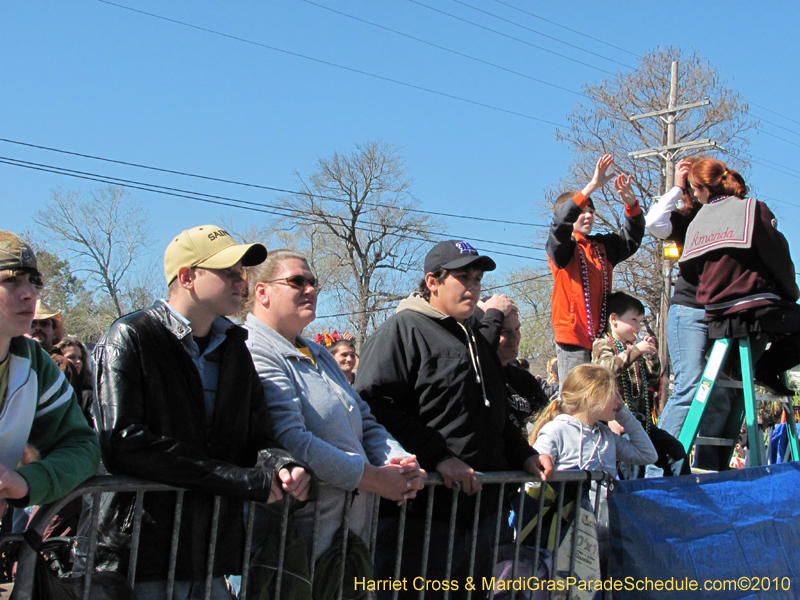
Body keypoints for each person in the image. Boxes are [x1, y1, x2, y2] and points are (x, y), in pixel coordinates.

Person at [86, 225, 313, 600]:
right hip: (137, 556)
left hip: (210, 555)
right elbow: (123, 443)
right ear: (187, 277)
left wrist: (281, 464)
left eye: (242, 272)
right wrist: (237, 480)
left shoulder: (235, 348)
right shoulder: (130, 336)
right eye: (227, 271)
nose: (240, 280)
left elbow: (255, 437)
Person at [356, 240, 554, 599]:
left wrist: (523, 453)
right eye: (463, 277)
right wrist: (438, 458)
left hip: (482, 514)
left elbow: (495, 413)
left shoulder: (477, 341)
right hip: (421, 516)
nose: (474, 287)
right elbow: (374, 404)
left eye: (478, 278)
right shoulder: (402, 331)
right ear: (433, 282)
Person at [244, 249, 424, 559]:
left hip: (349, 536)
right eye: (297, 281)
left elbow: (365, 419)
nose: (311, 290)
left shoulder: (320, 353)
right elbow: (291, 439)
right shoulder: (253, 348)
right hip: (296, 543)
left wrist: (401, 462)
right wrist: (375, 479)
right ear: (262, 292)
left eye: (313, 282)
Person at [0, 231, 100, 522]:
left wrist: (27, 482)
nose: (29, 293)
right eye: (10, 280)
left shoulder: (34, 365)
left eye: (34, 282)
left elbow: (81, 445)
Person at [679, 157, 800, 397]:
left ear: (703, 189)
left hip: (716, 316)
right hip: (754, 311)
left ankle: (741, 366)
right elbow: (778, 257)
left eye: (693, 188)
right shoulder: (752, 209)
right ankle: (765, 368)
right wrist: (790, 294)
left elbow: (689, 273)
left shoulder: (696, 223)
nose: (692, 193)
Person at [644, 158, 732, 473]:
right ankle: (658, 468)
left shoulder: (731, 217)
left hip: (722, 314)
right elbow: (654, 223)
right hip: (690, 311)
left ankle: (709, 470)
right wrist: (677, 187)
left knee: (720, 394)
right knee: (690, 385)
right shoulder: (687, 218)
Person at [530, 364, 657, 561]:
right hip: (562, 537)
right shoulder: (556, 431)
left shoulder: (606, 435)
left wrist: (623, 414)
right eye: (613, 396)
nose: (619, 401)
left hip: (602, 533)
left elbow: (648, 455)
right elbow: (532, 485)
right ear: (591, 398)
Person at [547, 154, 645, 384]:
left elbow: (631, 240)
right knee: (575, 402)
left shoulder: (602, 247)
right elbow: (560, 223)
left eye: (591, 210)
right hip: (573, 341)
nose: (589, 215)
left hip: (601, 342)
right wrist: (592, 186)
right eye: (582, 210)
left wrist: (631, 205)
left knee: (601, 401)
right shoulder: (561, 247)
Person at [591, 292, 690, 478]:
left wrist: (651, 357)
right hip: (618, 423)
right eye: (634, 320)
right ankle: (632, 502)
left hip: (641, 423)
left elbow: (652, 380)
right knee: (633, 469)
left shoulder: (633, 349)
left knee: (675, 452)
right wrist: (636, 351)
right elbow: (605, 370)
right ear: (614, 320)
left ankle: (678, 497)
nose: (638, 326)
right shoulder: (602, 344)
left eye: (641, 321)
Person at [495, 307, 549, 433]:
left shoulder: (525, 379)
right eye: (505, 331)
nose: (514, 338)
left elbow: (546, 420)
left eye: (517, 329)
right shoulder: (478, 378)